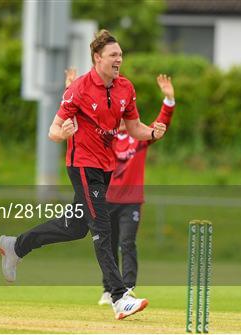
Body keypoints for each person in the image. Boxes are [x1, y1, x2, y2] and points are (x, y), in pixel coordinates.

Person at [0, 29, 166, 320]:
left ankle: (16, 246)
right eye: (114, 55)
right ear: (97, 58)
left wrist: (152, 132)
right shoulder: (79, 89)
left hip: (105, 167)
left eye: (121, 55)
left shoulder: (126, 88)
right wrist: (61, 133)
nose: (119, 60)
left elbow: (136, 128)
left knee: (74, 227)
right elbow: (52, 130)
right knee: (102, 228)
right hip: (82, 166)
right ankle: (119, 296)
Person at [64, 70, 176, 305]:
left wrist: (168, 102)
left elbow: (159, 126)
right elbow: (81, 126)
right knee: (108, 243)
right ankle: (109, 289)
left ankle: (129, 286)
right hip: (107, 199)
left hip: (131, 201)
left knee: (128, 242)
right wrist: (71, 87)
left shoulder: (139, 139)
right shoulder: (107, 138)